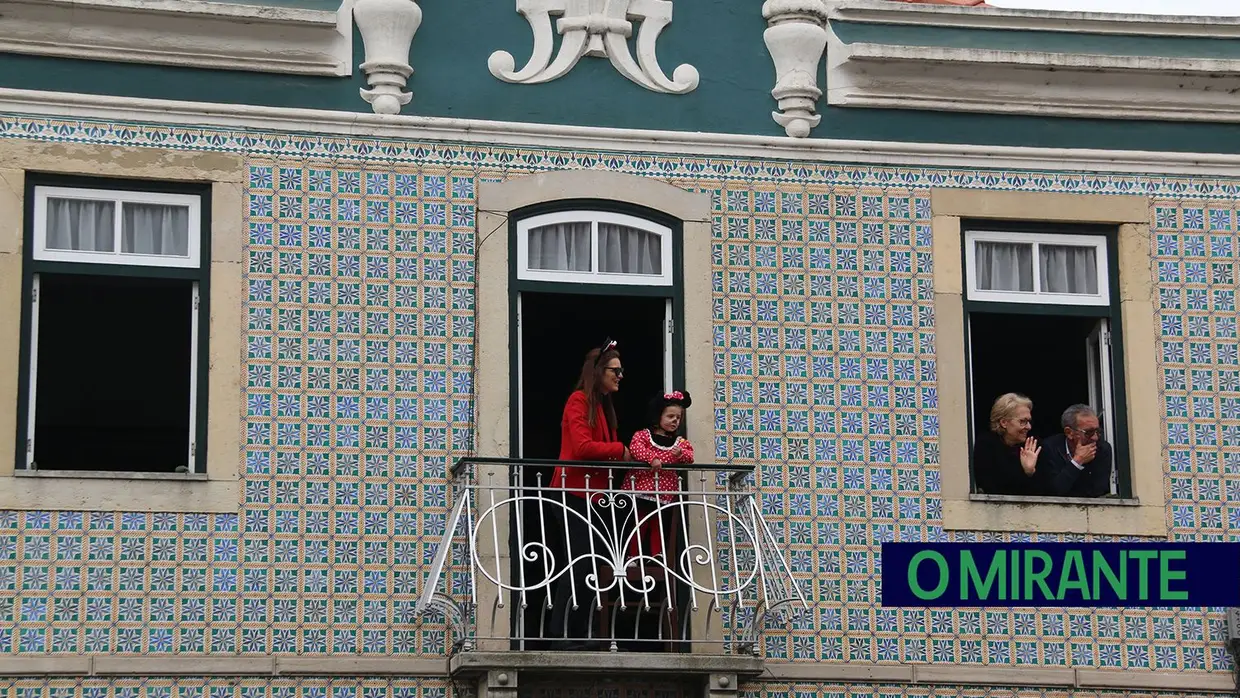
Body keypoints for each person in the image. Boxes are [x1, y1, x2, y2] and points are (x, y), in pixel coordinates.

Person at [547, 338, 631, 649]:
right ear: (597, 372)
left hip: (592, 497)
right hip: (570, 492)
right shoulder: (578, 401)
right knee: (579, 561)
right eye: (615, 370)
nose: (620, 375)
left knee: (590, 564)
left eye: (621, 371)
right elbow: (582, 447)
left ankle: (580, 634)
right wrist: (620, 451)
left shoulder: (603, 409)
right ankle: (561, 636)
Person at [621, 390, 695, 562]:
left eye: (678, 418)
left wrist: (680, 455)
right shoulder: (644, 436)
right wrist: (651, 458)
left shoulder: (680, 443)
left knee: (658, 524)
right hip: (641, 490)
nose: (675, 421)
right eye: (670, 416)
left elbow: (690, 456)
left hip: (663, 495)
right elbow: (635, 447)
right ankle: (634, 555)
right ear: (658, 416)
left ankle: (657, 555)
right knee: (639, 523)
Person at [973, 393, 1044, 495]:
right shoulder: (986, 445)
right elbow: (991, 488)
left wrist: (1030, 472)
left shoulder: (1034, 445)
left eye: (1029, 421)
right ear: (1004, 422)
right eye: (1023, 421)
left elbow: (1044, 494)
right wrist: (1023, 473)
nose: (1029, 427)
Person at [1038, 404, 1113, 498]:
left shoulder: (1102, 448)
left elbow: (1098, 491)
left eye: (1098, 431)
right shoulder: (1049, 447)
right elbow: (1053, 491)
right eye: (1089, 433)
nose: (1095, 437)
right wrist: (1077, 462)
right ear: (1069, 433)